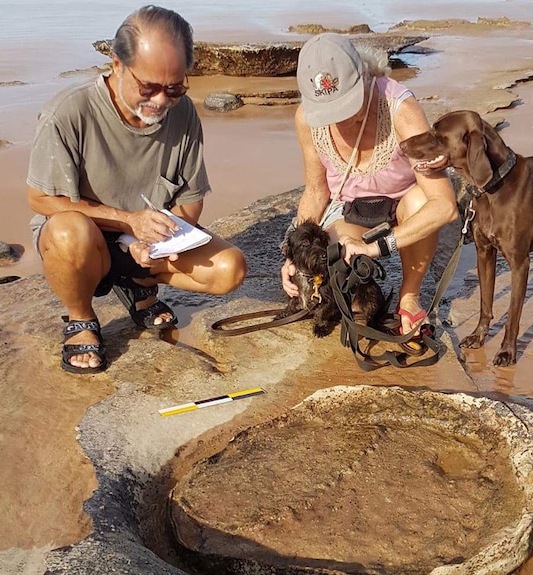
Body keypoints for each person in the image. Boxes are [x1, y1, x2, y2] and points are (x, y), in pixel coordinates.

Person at [27, 5, 246, 374]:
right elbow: (40, 199)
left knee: (230, 269)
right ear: (116, 64)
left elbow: (190, 200)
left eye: (174, 88)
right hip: (88, 239)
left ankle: (139, 285)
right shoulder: (69, 112)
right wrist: (128, 222)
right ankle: (81, 319)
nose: (161, 101)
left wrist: (158, 244)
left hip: (149, 244)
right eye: (149, 87)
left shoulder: (184, 113)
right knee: (68, 231)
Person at [282, 33, 458, 338]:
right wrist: (293, 258)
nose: (339, 120)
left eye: (347, 106)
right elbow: (315, 191)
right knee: (333, 260)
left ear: (366, 76)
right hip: (351, 210)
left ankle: (409, 296)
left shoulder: (401, 109)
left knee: (419, 202)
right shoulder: (306, 120)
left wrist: (375, 248)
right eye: (329, 111)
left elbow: (444, 206)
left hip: (403, 206)